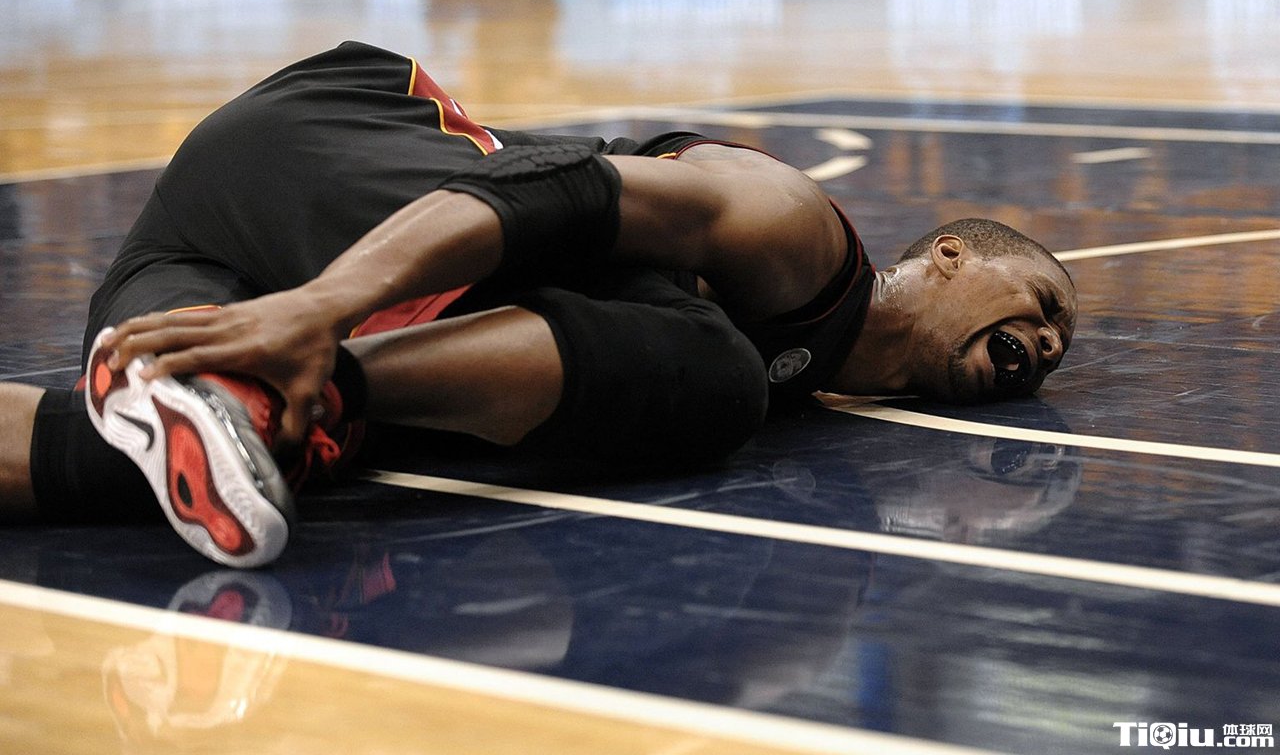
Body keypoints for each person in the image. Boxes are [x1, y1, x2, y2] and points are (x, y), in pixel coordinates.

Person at [0, 41, 1077, 568]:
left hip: (198, 250)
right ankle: (321, 391)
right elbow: (557, 191)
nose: (1040, 341)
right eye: (1041, 305)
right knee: (712, 374)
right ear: (947, 256)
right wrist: (321, 311)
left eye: (1053, 348)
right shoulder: (801, 236)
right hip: (336, 155)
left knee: (177, 456)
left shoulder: (810, 367)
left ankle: (264, 402)